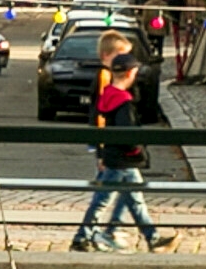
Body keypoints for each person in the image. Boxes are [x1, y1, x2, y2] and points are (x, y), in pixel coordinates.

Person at [73, 32, 172, 251]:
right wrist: (103, 149)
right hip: (122, 156)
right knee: (106, 198)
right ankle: (86, 236)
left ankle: (145, 236)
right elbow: (115, 125)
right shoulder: (113, 91)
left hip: (116, 154)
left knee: (132, 197)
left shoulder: (110, 90)